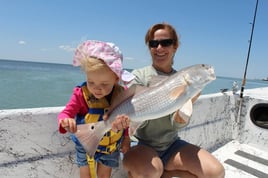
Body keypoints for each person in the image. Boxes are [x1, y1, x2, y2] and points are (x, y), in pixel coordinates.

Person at [121, 23, 225, 178]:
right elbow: (131, 114)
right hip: (140, 144)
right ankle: (156, 170)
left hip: (171, 145)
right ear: (149, 47)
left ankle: (163, 172)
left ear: (175, 46)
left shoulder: (186, 83)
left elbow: (175, 124)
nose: (159, 48)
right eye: (154, 43)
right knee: (150, 171)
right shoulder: (138, 76)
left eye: (166, 43)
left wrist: (187, 104)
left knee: (216, 172)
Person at [57, 40, 131, 178]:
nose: (97, 88)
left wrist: (126, 138)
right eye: (91, 82)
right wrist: (65, 121)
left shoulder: (122, 94)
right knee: (86, 175)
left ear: (116, 79)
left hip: (110, 146)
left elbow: (125, 119)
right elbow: (66, 112)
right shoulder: (81, 94)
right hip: (85, 143)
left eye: (104, 84)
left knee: (104, 175)